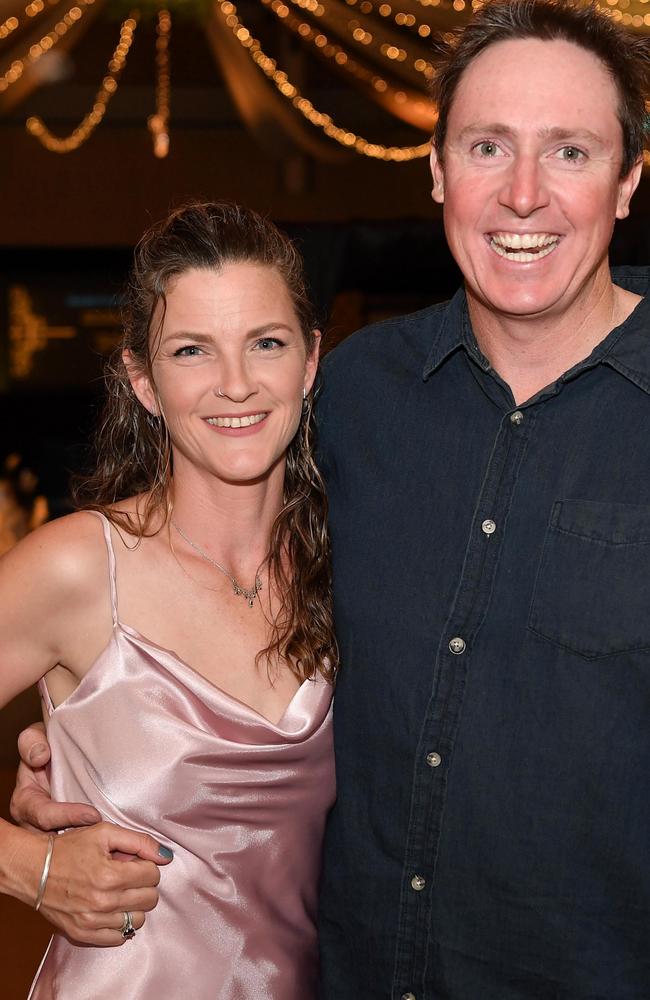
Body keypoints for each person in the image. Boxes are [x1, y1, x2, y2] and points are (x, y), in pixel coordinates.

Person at [13, 2, 650, 997]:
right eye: (487, 146)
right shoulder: (357, 397)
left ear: (627, 179)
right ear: (436, 169)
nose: (522, 193)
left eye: (568, 150)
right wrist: (78, 773)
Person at [2, 201, 336, 999]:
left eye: (266, 343)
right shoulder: (79, 570)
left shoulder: (354, 566)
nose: (235, 384)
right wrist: (29, 865)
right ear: (144, 382)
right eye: (192, 351)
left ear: (310, 361)